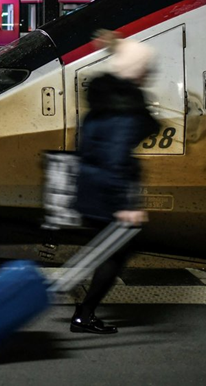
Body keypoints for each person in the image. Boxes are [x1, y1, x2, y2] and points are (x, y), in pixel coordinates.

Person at [71, 30, 159, 335]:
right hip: (108, 193)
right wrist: (126, 205)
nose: (150, 72)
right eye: (146, 67)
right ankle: (84, 315)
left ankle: (84, 309)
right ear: (135, 70)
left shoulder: (101, 104)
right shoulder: (124, 111)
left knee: (111, 252)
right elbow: (117, 159)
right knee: (116, 255)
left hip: (92, 187)